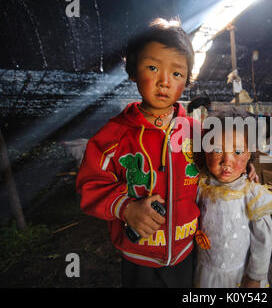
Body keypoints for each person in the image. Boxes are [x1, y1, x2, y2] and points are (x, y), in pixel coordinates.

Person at [76, 18, 200, 287]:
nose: (164, 82)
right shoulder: (112, 136)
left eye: (177, 73)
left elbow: (220, 163)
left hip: (185, 249)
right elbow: (89, 184)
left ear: (187, 79)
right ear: (133, 71)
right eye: (153, 67)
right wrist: (126, 208)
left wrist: (242, 169)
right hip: (137, 253)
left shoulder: (198, 132)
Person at [193, 106, 272, 288]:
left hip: (238, 275)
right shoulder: (200, 185)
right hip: (205, 271)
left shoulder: (252, 194)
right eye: (217, 150)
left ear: (250, 154)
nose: (227, 162)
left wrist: (255, 276)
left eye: (238, 152)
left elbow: (262, 239)